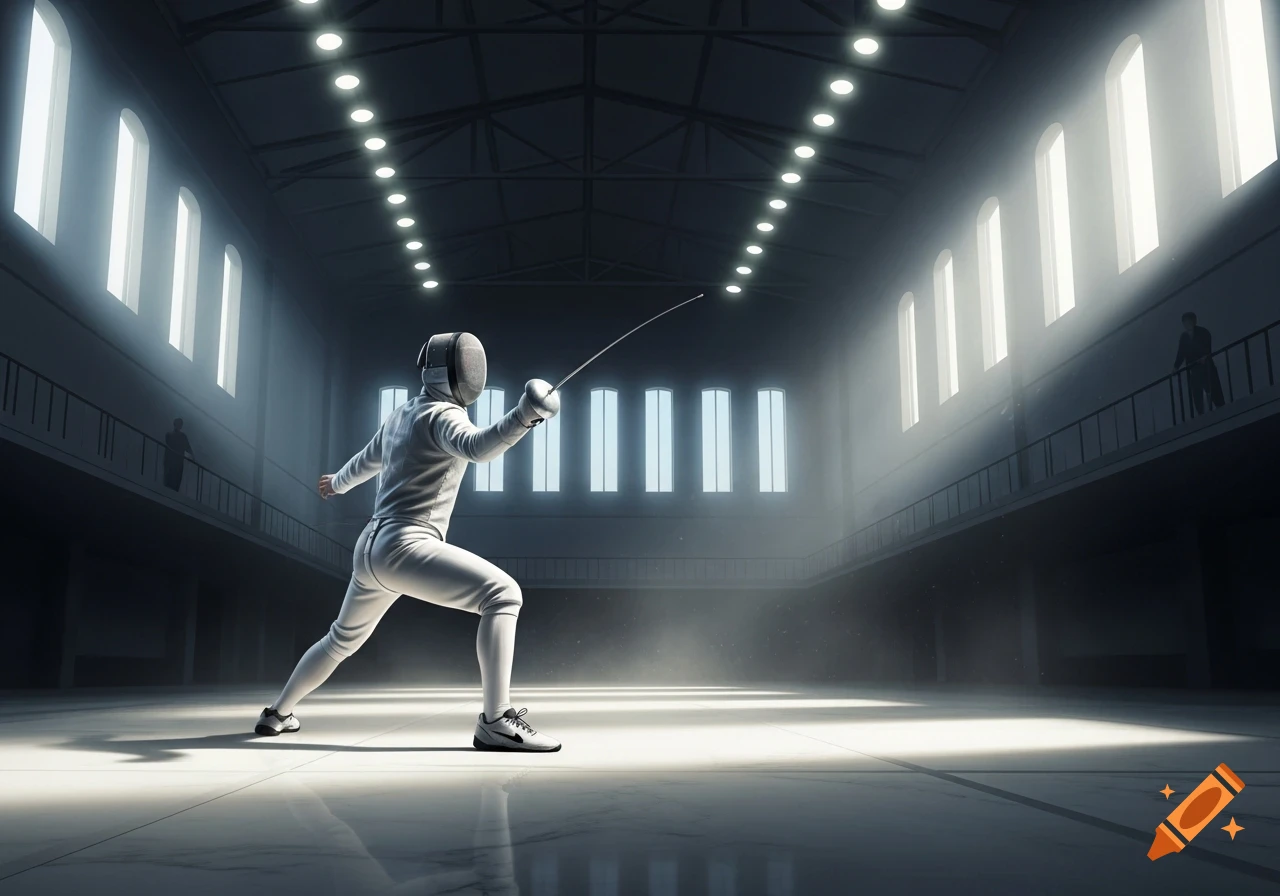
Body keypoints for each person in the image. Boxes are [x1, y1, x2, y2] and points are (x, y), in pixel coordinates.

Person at [254, 332, 563, 752]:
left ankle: (277, 713)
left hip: (371, 547)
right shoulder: (443, 416)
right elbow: (478, 447)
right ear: (453, 372)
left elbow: (368, 459)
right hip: (406, 545)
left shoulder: (402, 414)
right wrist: (525, 416)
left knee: (340, 639)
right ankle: (495, 720)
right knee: (503, 595)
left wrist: (338, 484)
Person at [1172, 312, 1225, 415]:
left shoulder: (1203, 332)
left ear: (1194, 321)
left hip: (1207, 368)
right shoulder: (1184, 337)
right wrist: (1175, 367)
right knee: (1197, 397)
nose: (1187, 324)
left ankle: (1221, 412)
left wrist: (1204, 357)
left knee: (1215, 392)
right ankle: (1201, 416)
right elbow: (1181, 353)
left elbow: (1207, 348)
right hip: (1194, 371)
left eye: (1189, 321)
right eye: (1185, 322)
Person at [163, 418, 196, 490]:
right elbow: (187, 448)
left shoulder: (181, 436)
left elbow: (188, 447)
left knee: (174, 481)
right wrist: (192, 456)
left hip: (176, 462)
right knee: (171, 480)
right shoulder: (170, 435)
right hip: (172, 462)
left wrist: (193, 456)